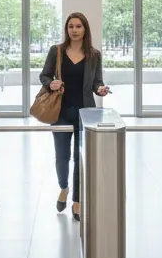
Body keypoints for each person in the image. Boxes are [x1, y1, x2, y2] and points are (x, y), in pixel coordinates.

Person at [39, 12, 110, 221]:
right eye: (71, 26)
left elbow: (97, 83)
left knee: (80, 157)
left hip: (85, 113)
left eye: (78, 26)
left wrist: (101, 89)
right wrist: (50, 83)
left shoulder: (94, 55)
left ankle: (78, 201)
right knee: (62, 156)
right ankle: (63, 188)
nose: (74, 30)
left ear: (85, 29)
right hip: (60, 111)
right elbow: (44, 75)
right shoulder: (57, 51)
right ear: (66, 29)